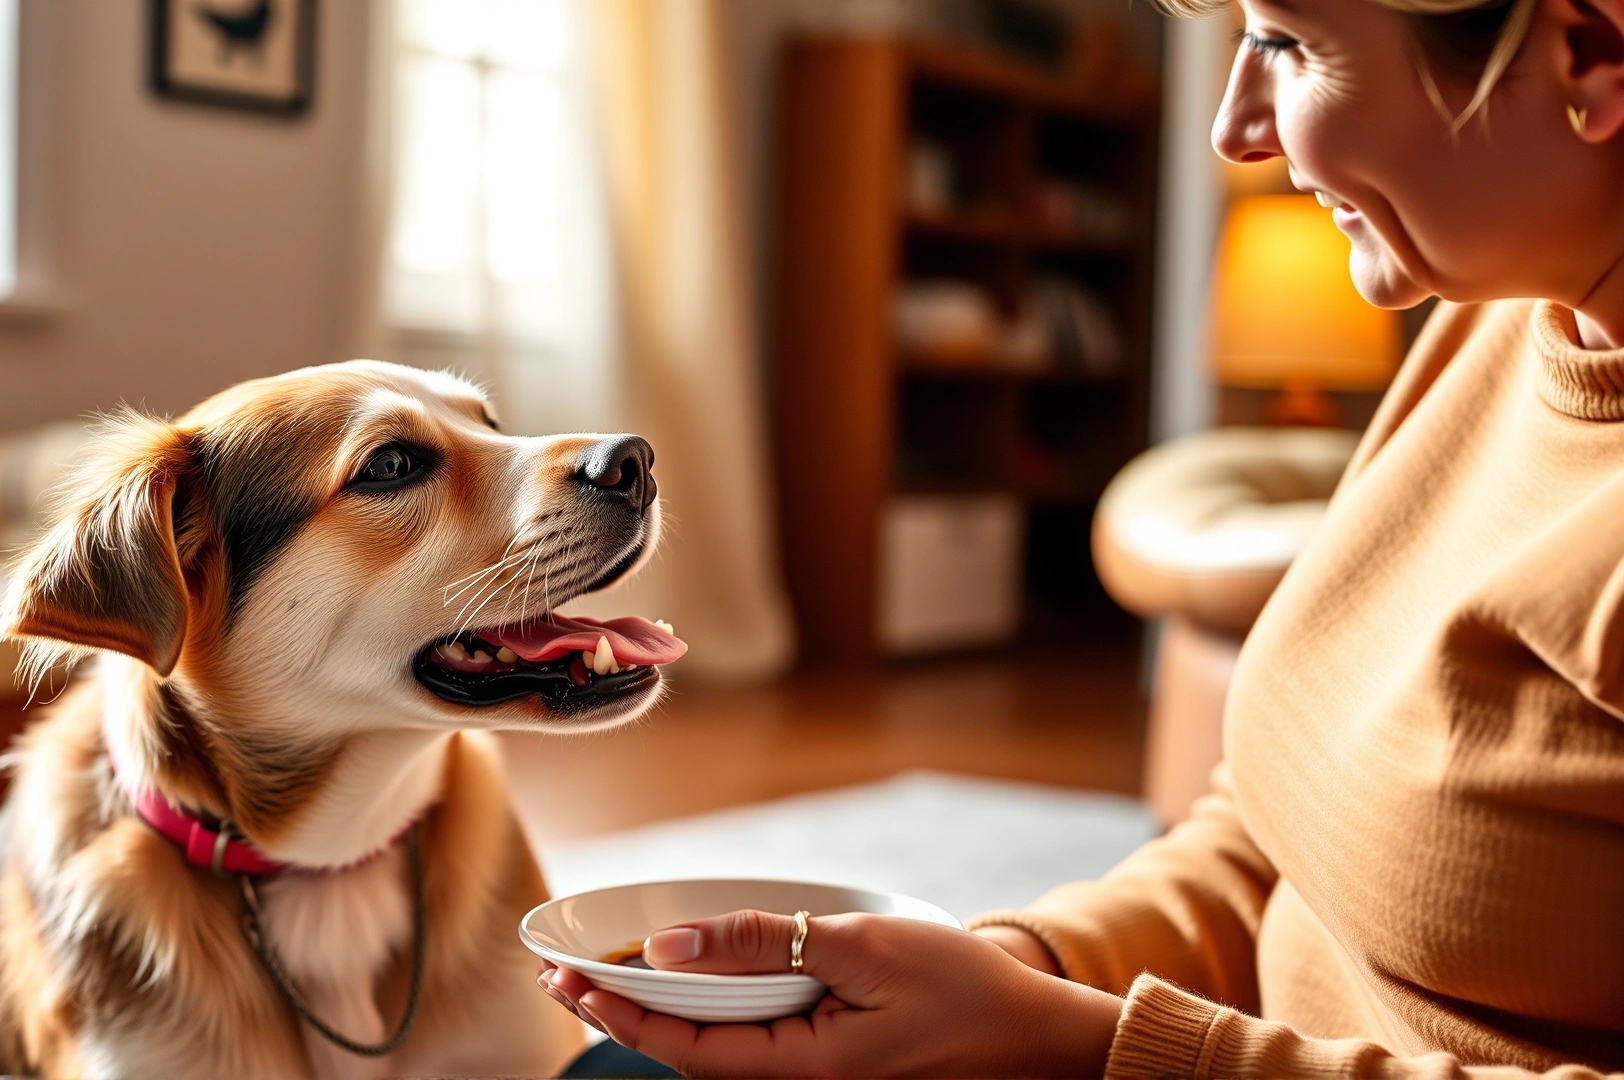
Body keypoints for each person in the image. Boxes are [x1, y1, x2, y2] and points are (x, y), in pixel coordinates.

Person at [540, 0, 1624, 1074]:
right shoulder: (1497, 320)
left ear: (1591, 53)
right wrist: (1017, 969)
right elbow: (1270, 846)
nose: (1234, 127)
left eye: (1290, 43)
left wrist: (1070, 1044)